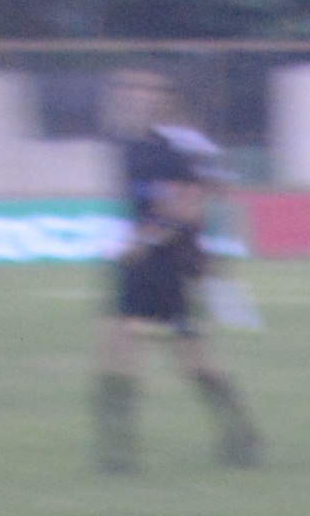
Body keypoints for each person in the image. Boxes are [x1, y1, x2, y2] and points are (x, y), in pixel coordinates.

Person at [94, 69, 260, 470]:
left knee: (191, 361)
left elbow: (187, 207)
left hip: (165, 265)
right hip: (135, 265)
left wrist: (146, 241)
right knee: (118, 348)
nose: (136, 98)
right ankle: (117, 453)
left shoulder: (170, 152)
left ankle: (241, 433)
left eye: (146, 91)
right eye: (130, 90)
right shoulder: (127, 149)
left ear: (160, 100)